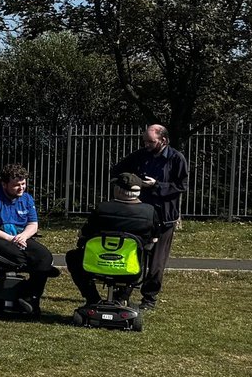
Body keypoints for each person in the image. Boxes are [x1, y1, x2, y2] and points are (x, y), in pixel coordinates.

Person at [113, 122, 189, 308]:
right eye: (145, 141)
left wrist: (156, 185)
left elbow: (182, 186)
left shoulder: (176, 158)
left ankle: (149, 299)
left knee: (156, 262)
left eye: (150, 142)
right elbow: (118, 170)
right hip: (139, 214)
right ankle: (122, 294)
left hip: (164, 216)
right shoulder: (141, 155)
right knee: (132, 255)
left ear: (163, 140)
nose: (146, 145)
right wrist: (130, 182)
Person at [67, 172, 160, 306]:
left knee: (73, 256)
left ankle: (92, 298)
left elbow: (84, 234)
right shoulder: (150, 212)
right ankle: (122, 298)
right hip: (129, 268)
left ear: (118, 189)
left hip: (96, 265)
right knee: (141, 255)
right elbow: (154, 239)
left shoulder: (102, 209)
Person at [0, 162, 53, 310]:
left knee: (44, 256)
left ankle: (31, 297)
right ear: (4, 184)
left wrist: (23, 236)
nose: (21, 188)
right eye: (16, 185)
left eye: (23, 184)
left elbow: (33, 224)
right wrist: (9, 238)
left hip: (19, 237)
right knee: (19, 258)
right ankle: (39, 273)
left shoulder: (27, 199)